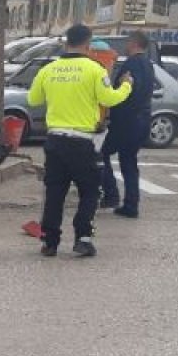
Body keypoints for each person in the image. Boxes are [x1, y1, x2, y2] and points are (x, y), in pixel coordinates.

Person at [27, 24, 132, 258]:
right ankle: (83, 239)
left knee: (54, 192)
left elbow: (33, 99)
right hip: (83, 142)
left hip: (54, 141)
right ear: (88, 44)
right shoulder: (94, 69)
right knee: (89, 191)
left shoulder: (49, 69)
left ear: (66, 43)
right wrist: (126, 85)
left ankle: (50, 242)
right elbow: (110, 98)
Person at [98, 30, 155, 218]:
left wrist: (113, 115)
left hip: (127, 121)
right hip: (142, 120)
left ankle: (111, 194)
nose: (126, 45)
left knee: (101, 154)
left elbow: (129, 91)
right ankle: (131, 204)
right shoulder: (148, 64)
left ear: (134, 43)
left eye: (128, 41)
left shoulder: (133, 63)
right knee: (129, 162)